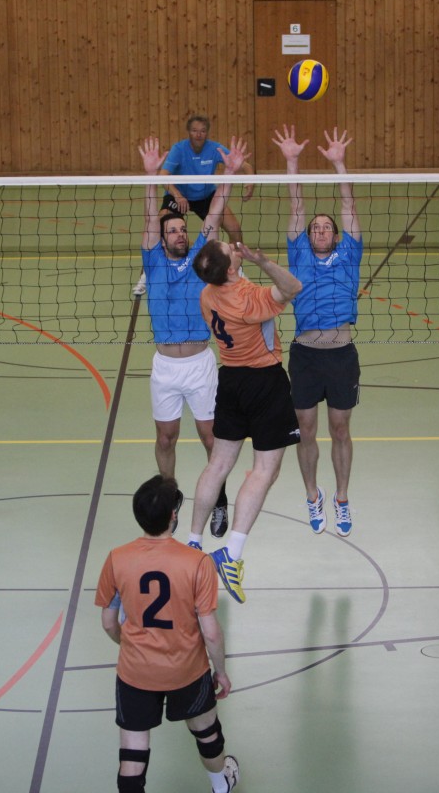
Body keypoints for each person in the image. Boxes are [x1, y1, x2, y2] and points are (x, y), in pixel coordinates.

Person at [95, 475, 239, 793]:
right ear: (173, 516)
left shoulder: (117, 559)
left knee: (133, 754)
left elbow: (108, 622)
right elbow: (211, 633)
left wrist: (129, 645)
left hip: (136, 672)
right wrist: (221, 671)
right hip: (187, 670)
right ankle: (221, 785)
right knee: (208, 733)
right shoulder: (198, 563)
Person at [187, 229, 303, 604]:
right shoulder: (249, 300)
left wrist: (237, 264)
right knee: (264, 470)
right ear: (230, 268)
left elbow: (224, 274)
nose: (234, 245)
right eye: (229, 248)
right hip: (264, 382)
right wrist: (261, 260)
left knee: (218, 465)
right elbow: (292, 287)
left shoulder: (207, 294)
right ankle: (232, 554)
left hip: (230, 380)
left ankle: (192, 543)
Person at [136, 135, 241, 539]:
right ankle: (170, 499)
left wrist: (229, 174)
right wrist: (150, 177)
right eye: (174, 231)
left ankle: (219, 498)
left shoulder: (200, 258)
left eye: (183, 229)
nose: (180, 234)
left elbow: (213, 213)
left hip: (200, 364)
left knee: (211, 437)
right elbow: (150, 217)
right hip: (165, 366)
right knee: (166, 438)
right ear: (162, 238)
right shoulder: (153, 260)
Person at [272, 124, 363, 538]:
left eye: (327, 227)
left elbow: (348, 205)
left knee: (340, 429)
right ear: (307, 236)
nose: (321, 231)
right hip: (306, 356)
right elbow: (295, 204)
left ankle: (341, 498)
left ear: (337, 236)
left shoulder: (349, 254)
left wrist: (339, 164)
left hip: (341, 355)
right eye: (315, 228)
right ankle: (313, 494)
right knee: (305, 430)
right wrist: (292, 162)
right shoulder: (300, 255)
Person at [159, 115, 255, 245]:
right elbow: (163, 175)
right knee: (159, 228)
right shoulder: (178, 149)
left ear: (207, 133)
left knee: (235, 230)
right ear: (188, 132)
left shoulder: (215, 149)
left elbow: (246, 166)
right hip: (179, 196)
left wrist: (251, 181)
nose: (198, 135)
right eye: (194, 130)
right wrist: (177, 195)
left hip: (206, 197)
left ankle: (233, 259)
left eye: (203, 131)